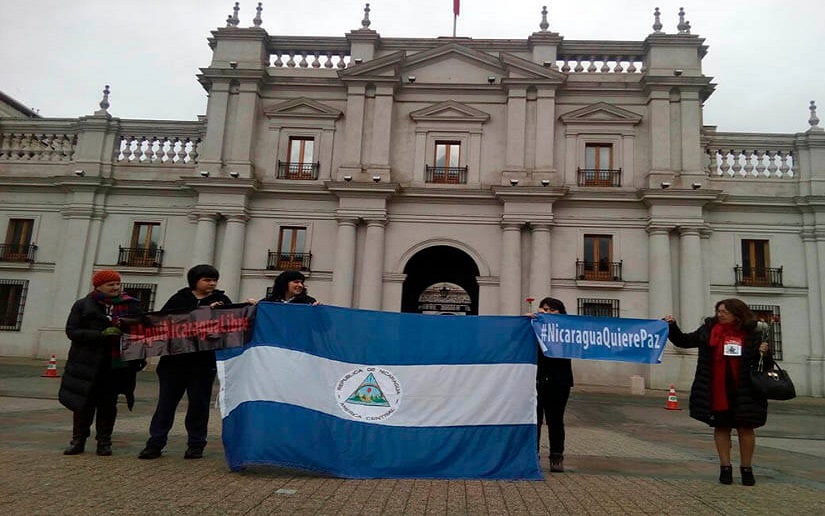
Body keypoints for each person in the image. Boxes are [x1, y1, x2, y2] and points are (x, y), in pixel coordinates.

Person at [663, 298, 771, 486]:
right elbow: (683, 341)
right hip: (717, 387)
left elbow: (764, 365)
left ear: (737, 314)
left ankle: (747, 469)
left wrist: (765, 352)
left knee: (746, 428)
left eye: (724, 312)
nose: (720, 314)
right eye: (718, 311)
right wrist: (672, 326)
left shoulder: (753, 333)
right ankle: (725, 468)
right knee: (721, 427)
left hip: (746, 389)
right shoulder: (708, 330)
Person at [138, 264, 232, 460]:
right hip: (174, 363)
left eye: (214, 279)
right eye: (207, 279)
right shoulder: (179, 299)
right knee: (165, 404)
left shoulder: (222, 300)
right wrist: (202, 312)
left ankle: (196, 445)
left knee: (199, 405)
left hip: (203, 363)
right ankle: (155, 443)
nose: (212, 283)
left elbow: (229, 326)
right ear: (195, 281)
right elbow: (165, 323)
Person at [59, 269, 143, 456]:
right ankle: (78, 440)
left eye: (117, 284)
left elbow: (140, 331)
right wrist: (100, 335)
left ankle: (104, 442)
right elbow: (72, 331)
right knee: (83, 404)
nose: (115, 288)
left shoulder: (131, 306)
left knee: (108, 404)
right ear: (98, 286)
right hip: (86, 365)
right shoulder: (82, 305)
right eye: (110, 284)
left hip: (115, 365)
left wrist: (139, 356)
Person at [526, 297, 574, 472]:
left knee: (555, 420)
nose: (548, 312)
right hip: (536, 380)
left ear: (561, 313)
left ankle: (556, 456)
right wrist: (526, 323)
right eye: (545, 309)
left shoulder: (569, 330)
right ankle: (533, 455)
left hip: (559, 381)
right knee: (535, 420)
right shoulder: (533, 326)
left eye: (553, 310)